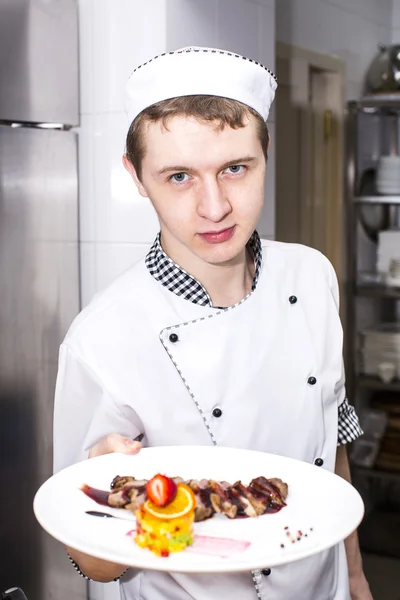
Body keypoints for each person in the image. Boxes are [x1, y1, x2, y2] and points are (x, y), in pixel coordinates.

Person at [53, 46, 373, 600]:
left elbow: (332, 446)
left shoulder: (311, 274)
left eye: (235, 168)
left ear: (265, 153)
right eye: (179, 176)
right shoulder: (100, 338)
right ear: (136, 176)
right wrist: (99, 492)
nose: (215, 206)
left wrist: (360, 579)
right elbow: (95, 566)